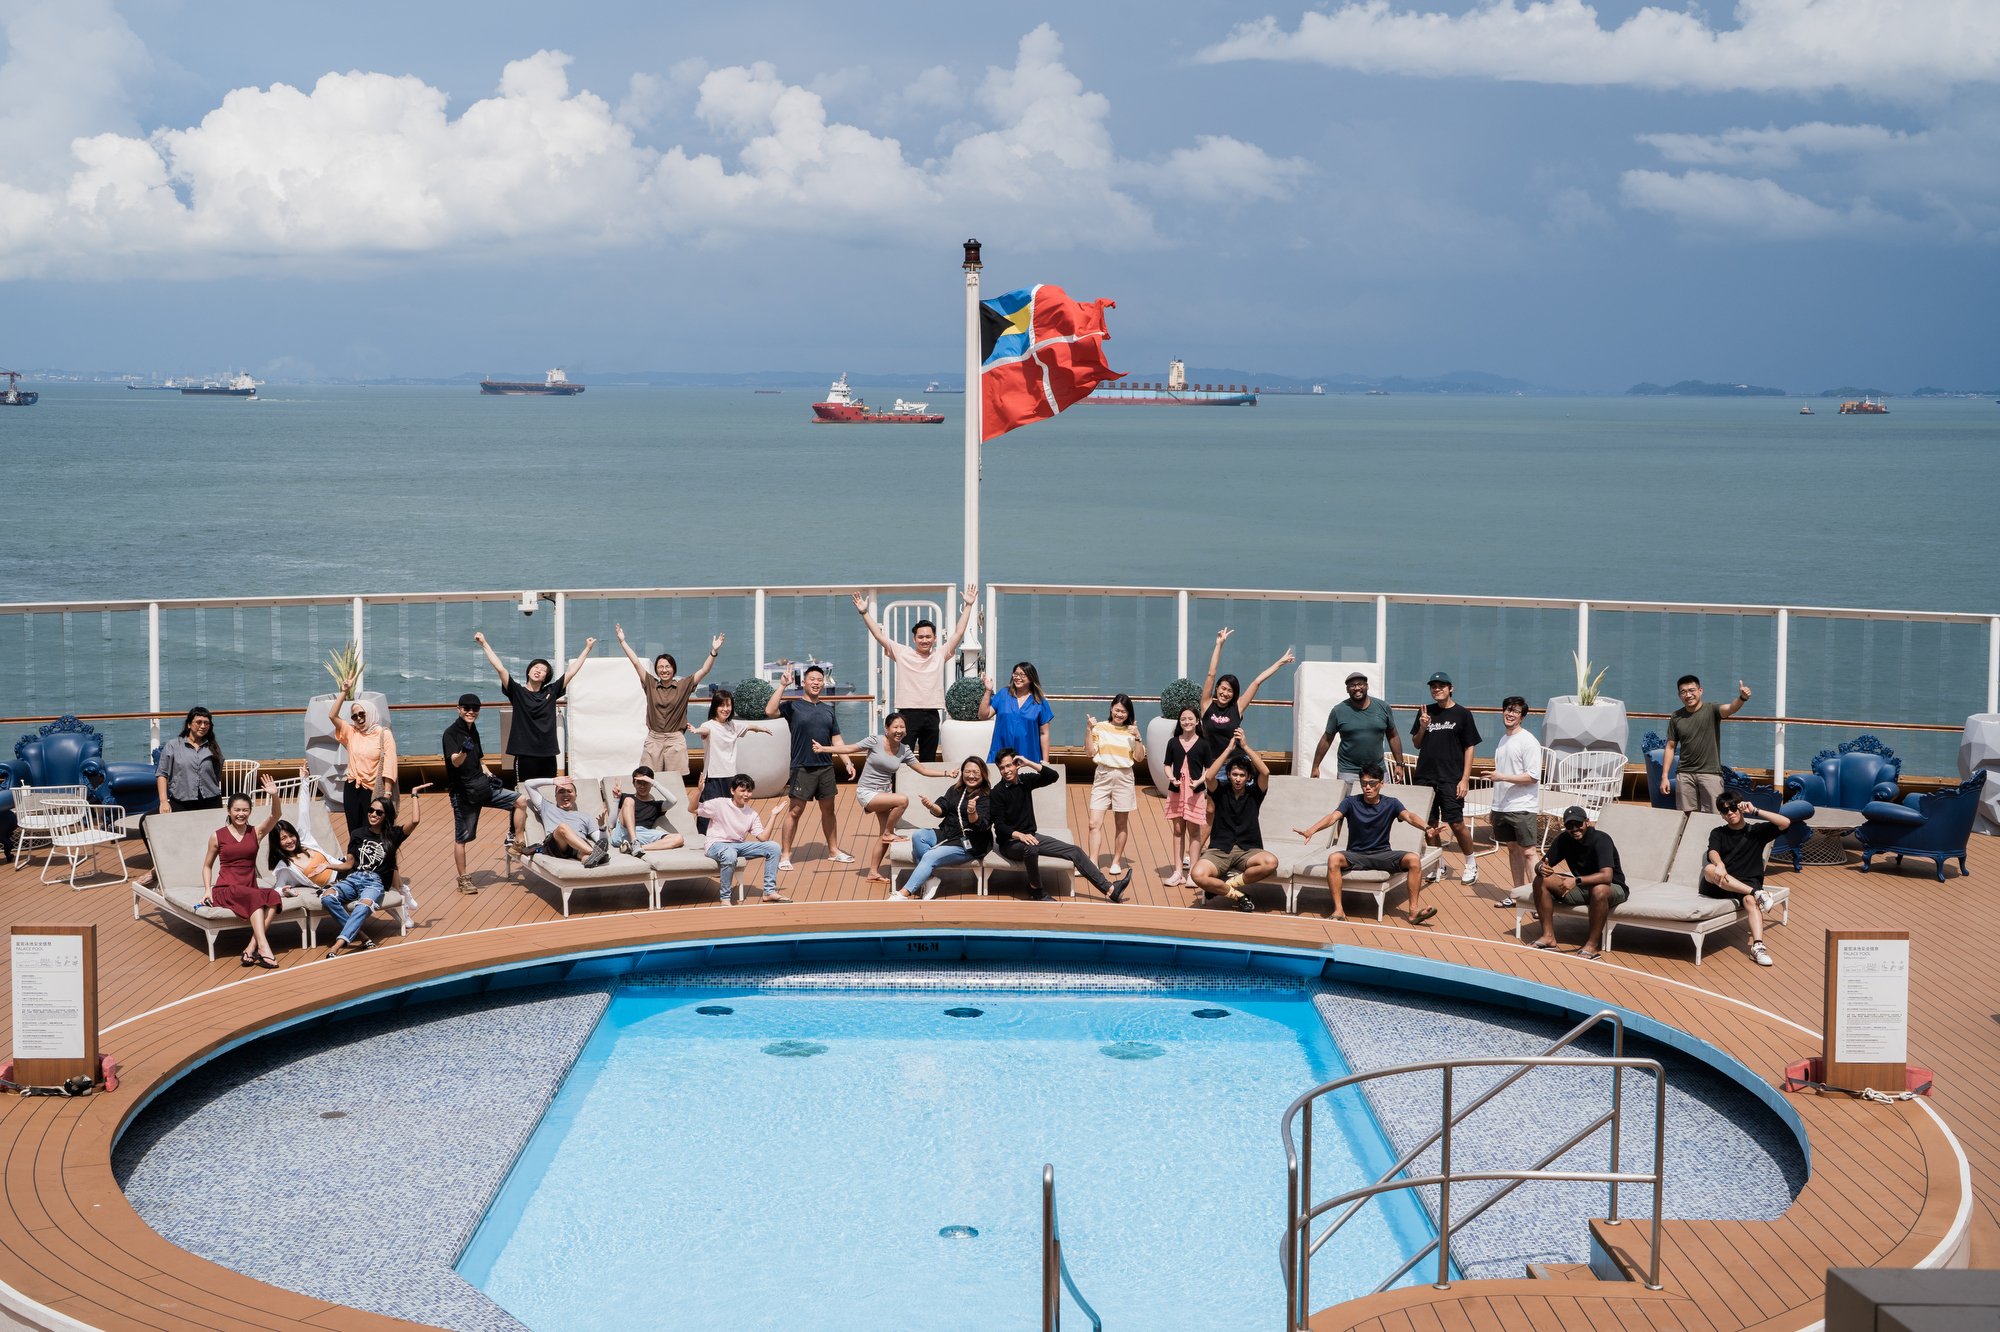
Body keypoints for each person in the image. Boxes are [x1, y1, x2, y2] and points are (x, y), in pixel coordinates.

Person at [811, 712, 949, 883]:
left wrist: (946, 773)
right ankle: (888, 833)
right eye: (895, 727)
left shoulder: (904, 750)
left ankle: (873, 872)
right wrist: (824, 749)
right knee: (902, 800)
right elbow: (850, 748)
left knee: (883, 837)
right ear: (887, 728)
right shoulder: (875, 741)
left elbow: (923, 770)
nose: (899, 731)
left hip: (884, 793)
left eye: (902, 727)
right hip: (867, 791)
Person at [1292, 763, 1430, 923]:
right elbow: (1332, 817)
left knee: (1414, 859)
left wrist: (1427, 828)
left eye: (1372, 783)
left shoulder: (1391, 803)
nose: (1368, 787)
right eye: (1364, 783)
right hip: (1355, 855)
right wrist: (1311, 831)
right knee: (1334, 858)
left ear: (1381, 784)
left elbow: (1410, 816)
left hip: (1382, 855)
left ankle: (1413, 911)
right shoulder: (1351, 802)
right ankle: (1339, 910)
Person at [853, 586, 978, 762]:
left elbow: (958, 632)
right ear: (914, 639)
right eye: (920, 637)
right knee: (902, 759)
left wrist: (968, 606)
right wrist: (864, 612)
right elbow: (879, 635)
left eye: (928, 637)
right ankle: (899, 789)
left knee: (928, 760)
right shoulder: (903, 653)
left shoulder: (940, 654)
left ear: (935, 638)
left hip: (932, 714)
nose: (924, 640)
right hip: (907, 714)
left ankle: (924, 790)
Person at [994, 748, 1129, 902]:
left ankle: (1111, 889)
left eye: (1009, 765)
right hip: (1010, 843)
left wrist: (1030, 763)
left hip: (1032, 837)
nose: (1006, 771)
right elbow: (999, 826)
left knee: (1075, 851)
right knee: (1030, 848)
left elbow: (1053, 776)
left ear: (1016, 764)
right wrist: (1020, 835)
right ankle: (1037, 890)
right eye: (1002, 768)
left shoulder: (1026, 781)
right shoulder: (998, 792)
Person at [474, 630, 596, 783]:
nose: (539, 670)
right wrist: (484, 644)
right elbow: (501, 669)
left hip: (548, 753)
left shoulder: (551, 691)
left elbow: (571, 672)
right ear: (529, 670)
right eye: (536, 667)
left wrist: (587, 648)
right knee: (525, 792)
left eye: (544, 670)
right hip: (525, 753)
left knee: (550, 792)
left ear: (546, 677)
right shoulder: (517, 691)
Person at [766, 664, 856, 871]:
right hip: (802, 766)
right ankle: (786, 855)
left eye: (819, 680)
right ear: (804, 683)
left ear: (823, 683)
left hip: (825, 766)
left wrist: (848, 762)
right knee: (795, 811)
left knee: (829, 810)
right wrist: (782, 686)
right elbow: (770, 711)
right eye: (812, 679)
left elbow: (837, 740)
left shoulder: (827, 709)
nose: (816, 683)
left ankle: (833, 851)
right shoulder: (793, 706)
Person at [323, 784, 429, 959]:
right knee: (327, 897)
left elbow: (415, 821)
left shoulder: (393, 835)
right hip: (354, 878)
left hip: (375, 882)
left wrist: (414, 794)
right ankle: (362, 936)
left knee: (362, 907)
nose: (373, 814)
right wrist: (328, 866)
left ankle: (337, 945)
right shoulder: (357, 834)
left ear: (386, 815)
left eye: (379, 812)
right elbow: (349, 865)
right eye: (371, 810)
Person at [614, 623, 723, 781]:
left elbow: (704, 670)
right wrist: (623, 641)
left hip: (675, 739)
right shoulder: (650, 684)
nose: (664, 670)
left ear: (674, 669)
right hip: (654, 739)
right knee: (648, 779)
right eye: (660, 667)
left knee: (675, 781)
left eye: (667, 666)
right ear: (656, 670)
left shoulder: (684, 685)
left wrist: (713, 652)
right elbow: (636, 662)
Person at [441, 693, 524, 895]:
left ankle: (518, 843)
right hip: (463, 793)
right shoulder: (450, 734)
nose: (471, 712)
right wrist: (463, 751)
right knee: (462, 838)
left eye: (475, 709)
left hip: (482, 786)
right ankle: (463, 879)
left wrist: (489, 774)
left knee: (520, 800)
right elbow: (455, 762)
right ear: (458, 709)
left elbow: (479, 760)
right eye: (467, 708)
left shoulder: (473, 730)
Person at [1189, 729, 1277, 911]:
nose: (1238, 779)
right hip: (1220, 849)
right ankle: (1240, 896)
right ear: (1229, 775)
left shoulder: (1255, 794)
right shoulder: (1220, 791)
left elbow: (1266, 772)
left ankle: (1229, 884)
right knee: (1197, 875)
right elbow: (1209, 776)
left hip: (1248, 849)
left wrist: (1245, 746)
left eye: (1242, 775)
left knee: (1271, 862)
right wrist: (1228, 750)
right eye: (1234, 774)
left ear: (1248, 778)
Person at [1702, 792, 1790, 967]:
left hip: (1747, 883)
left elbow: (1785, 823)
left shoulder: (1756, 831)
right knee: (1709, 869)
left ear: (1741, 808)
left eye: (1733, 808)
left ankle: (1757, 947)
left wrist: (1755, 810)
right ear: (1721, 814)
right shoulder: (1718, 832)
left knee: (1750, 900)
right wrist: (1719, 863)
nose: (1730, 813)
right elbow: (1712, 851)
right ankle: (1758, 893)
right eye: (1725, 810)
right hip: (1721, 883)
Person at [1529, 806, 1628, 961]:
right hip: (1582, 886)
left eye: (1578, 824)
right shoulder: (1563, 839)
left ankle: (1592, 945)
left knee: (1599, 890)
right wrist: (1540, 868)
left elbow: (1607, 876)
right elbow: (1541, 864)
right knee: (1541, 880)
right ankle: (1548, 937)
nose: (1574, 829)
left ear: (1587, 822)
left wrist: (1576, 881)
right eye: (1569, 826)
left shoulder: (1601, 840)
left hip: (1612, 888)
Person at [202, 786, 286, 968]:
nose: (241, 814)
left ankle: (251, 947)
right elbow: (207, 866)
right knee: (255, 897)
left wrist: (274, 795)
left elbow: (276, 815)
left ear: (250, 811)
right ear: (229, 811)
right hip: (225, 889)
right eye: (237, 810)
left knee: (273, 896)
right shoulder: (217, 836)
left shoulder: (256, 832)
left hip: (248, 889)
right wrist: (208, 890)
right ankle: (264, 947)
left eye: (245, 810)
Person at [1411, 672, 1481, 886]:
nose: (1436, 689)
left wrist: (1465, 779)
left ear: (1451, 688)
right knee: (1430, 824)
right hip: (1425, 777)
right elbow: (1416, 744)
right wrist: (1423, 727)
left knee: (1456, 823)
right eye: (1433, 686)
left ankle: (1470, 864)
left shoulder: (1463, 714)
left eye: (1441, 686)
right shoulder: (1425, 712)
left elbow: (1470, 746)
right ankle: (1436, 864)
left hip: (1451, 778)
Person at [897, 756, 994, 901]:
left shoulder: (986, 796)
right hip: (949, 833)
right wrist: (931, 806)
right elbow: (941, 811)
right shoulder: (956, 789)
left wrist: (972, 811)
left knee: (930, 856)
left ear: (983, 774)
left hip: (970, 842)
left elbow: (979, 826)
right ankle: (929, 878)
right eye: (967, 771)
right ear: (962, 773)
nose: (971, 776)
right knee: (919, 835)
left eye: (975, 772)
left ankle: (904, 893)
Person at [1197, 629, 1295, 759]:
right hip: (1211, 764)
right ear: (1217, 688)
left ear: (1234, 694)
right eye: (1223, 688)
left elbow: (1257, 681)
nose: (1225, 693)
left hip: (1235, 763)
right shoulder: (1206, 705)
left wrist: (1280, 663)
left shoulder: (1237, 707)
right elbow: (1211, 674)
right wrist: (1219, 645)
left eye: (1230, 691)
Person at [1662, 675, 1753, 813]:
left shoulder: (1712, 709)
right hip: (1684, 773)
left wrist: (1742, 698)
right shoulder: (1676, 716)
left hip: (1710, 773)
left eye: (1692, 690)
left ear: (1700, 691)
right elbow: (1670, 747)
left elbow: (1730, 708)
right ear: (1679, 695)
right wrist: (1665, 776)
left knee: (1714, 815)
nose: (1688, 695)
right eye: (1683, 692)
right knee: (1685, 816)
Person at [327, 672, 399, 837]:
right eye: (354, 716)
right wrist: (344, 692)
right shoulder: (351, 732)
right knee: (354, 831)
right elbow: (332, 716)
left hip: (373, 791)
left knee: (373, 832)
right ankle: (355, 862)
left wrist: (386, 795)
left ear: (370, 713)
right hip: (352, 788)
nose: (358, 718)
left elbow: (389, 766)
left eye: (362, 714)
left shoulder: (383, 734)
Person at [697, 773, 787, 904]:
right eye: (743, 790)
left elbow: (763, 837)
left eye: (749, 791)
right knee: (730, 853)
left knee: (774, 847)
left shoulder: (751, 814)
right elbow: (692, 809)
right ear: (732, 790)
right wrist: (699, 791)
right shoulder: (719, 804)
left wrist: (773, 816)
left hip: (738, 845)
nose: (746, 794)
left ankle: (769, 892)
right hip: (716, 844)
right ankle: (725, 898)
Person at [689, 689, 770, 832]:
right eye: (722, 705)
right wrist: (696, 731)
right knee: (707, 812)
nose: (725, 709)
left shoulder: (732, 725)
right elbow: (704, 730)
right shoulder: (709, 725)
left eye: (728, 705)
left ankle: (727, 838)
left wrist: (760, 728)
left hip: (730, 777)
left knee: (730, 811)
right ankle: (703, 839)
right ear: (715, 707)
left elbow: (748, 726)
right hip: (713, 777)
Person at [1488, 696, 1543, 908]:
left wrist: (1502, 777)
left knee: (1529, 853)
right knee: (1512, 850)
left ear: (1522, 717)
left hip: (1522, 807)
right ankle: (1518, 895)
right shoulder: (1503, 741)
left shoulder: (1528, 741)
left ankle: (1539, 900)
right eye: (1508, 709)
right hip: (1503, 807)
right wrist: (1495, 807)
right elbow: (1500, 778)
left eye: (1516, 711)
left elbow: (1532, 776)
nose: (1510, 714)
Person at [1085, 694, 1146, 876]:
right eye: (1117, 710)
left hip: (1124, 776)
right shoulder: (1100, 727)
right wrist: (1089, 729)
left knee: (1121, 823)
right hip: (1103, 774)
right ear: (1111, 708)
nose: (1120, 714)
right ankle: (1092, 862)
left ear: (1128, 713)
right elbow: (1089, 753)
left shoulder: (1131, 731)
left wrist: (1138, 737)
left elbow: (1140, 758)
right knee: (1093, 822)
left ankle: (1116, 861)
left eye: (1124, 711)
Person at [1310, 672, 1406, 780]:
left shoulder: (1383, 707)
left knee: (1380, 798)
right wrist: (1315, 766)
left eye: (1360, 684)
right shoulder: (1338, 710)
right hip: (1348, 772)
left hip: (1377, 771)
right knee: (1349, 798)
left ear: (1367, 686)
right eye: (1352, 685)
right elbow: (1326, 739)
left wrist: (1399, 764)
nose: (1356, 688)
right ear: (1347, 690)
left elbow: (1393, 736)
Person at [265, 778, 341, 901]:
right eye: (283, 838)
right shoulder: (285, 866)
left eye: (291, 835)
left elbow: (304, 811)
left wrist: (305, 781)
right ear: (277, 843)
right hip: (336, 884)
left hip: (343, 868)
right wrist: (285, 892)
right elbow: (278, 888)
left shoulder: (305, 841)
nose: (290, 840)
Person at [1161, 706, 1210, 887]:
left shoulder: (1203, 744)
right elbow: (1167, 765)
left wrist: (1199, 782)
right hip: (1177, 790)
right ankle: (1178, 872)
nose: (1187, 722)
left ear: (1197, 721)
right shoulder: (1173, 742)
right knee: (1178, 830)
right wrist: (1171, 777)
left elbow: (1209, 769)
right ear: (1179, 722)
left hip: (1194, 792)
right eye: (1183, 719)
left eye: (1191, 719)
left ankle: (1193, 873)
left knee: (1194, 831)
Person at [520, 775, 611, 867]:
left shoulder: (586, 816)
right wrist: (553, 781)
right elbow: (528, 784)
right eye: (561, 791)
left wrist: (602, 827)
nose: (565, 794)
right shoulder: (547, 807)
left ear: (575, 796)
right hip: (557, 843)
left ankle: (589, 860)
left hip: (578, 845)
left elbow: (601, 841)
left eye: (569, 791)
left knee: (583, 854)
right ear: (555, 797)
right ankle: (595, 853)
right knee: (563, 827)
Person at [155, 705, 226, 814]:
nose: (203, 726)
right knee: (144, 820)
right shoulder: (173, 746)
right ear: (189, 724)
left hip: (211, 800)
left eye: (206, 723)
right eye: (198, 722)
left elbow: (216, 775)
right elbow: (162, 774)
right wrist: (164, 801)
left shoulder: (212, 747)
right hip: (182, 801)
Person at [980, 662, 1054, 762]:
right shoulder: (1004, 694)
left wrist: (1045, 762)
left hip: (1028, 755)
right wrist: (988, 691)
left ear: (1031, 678)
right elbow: (983, 715)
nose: (1017, 677)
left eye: (1022, 675)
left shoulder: (1040, 702)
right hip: (1002, 752)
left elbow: (1044, 733)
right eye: (1015, 674)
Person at [607, 767, 686, 854]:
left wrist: (654, 782)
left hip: (642, 834)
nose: (642, 786)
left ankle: (634, 848)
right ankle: (634, 842)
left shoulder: (656, 805)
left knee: (678, 838)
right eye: (639, 783)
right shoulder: (625, 798)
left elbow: (673, 800)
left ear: (651, 784)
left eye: (646, 783)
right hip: (622, 833)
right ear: (633, 783)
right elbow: (611, 824)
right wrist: (616, 799)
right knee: (629, 801)